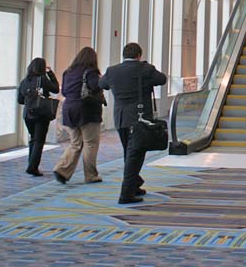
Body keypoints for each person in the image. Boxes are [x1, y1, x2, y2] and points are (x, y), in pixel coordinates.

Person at [100, 42, 167, 204]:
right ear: (139, 55)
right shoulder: (145, 69)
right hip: (139, 119)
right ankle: (126, 194)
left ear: (124, 55)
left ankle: (134, 185)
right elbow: (162, 79)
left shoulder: (112, 70)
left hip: (121, 118)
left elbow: (102, 84)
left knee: (129, 153)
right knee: (135, 155)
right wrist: (146, 67)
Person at [53, 47, 104, 185]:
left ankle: (62, 169)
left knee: (75, 143)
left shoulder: (67, 72)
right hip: (87, 110)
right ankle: (91, 175)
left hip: (69, 109)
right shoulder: (91, 72)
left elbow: (63, 91)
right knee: (90, 143)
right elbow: (96, 87)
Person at [17, 58, 60, 177]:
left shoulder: (24, 81)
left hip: (28, 114)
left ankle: (31, 164)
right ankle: (32, 167)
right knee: (39, 141)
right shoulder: (43, 79)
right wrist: (50, 73)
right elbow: (56, 88)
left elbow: (20, 100)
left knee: (33, 139)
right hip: (41, 114)